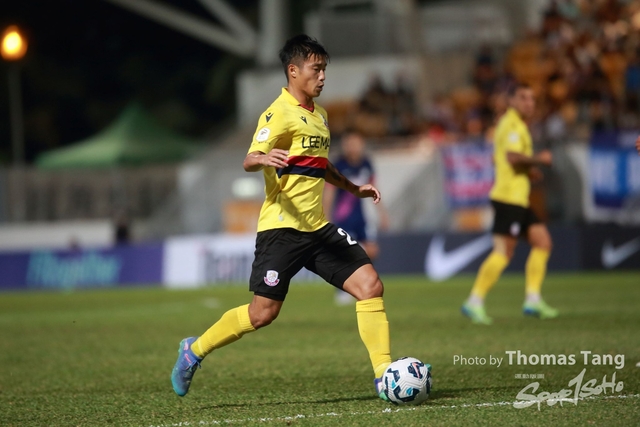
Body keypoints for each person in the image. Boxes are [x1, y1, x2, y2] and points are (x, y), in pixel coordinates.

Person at [171, 35, 405, 401]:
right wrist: (264, 158)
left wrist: (353, 188)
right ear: (293, 71)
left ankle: (384, 375)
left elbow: (321, 165)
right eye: (316, 69)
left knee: (370, 285)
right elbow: (250, 158)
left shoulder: (320, 115)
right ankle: (193, 350)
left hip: (318, 228)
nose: (322, 76)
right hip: (281, 229)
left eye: (324, 69)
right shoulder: (278, 113)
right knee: (262, 313)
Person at [461, 83, 559, 325]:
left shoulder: (516, 125)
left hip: (518, 199)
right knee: (503, 252)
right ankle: (474, 301)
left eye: (532, 98)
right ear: (512, 101)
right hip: (508, 199)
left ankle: (533, 300)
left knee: (543, 242)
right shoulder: (511, 124)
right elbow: (512, 157)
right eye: (524, 98)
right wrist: (539, 159)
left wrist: (529, 171)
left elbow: (501, 159)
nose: (529, 103)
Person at [323, 130, 389, 305]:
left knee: (372, 251)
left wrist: (382, 214)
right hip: (343, 218)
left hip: (361, 218)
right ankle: (343, 289)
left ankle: (363, 284)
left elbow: (374, 189)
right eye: (349, 143)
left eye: (356, 143)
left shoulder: (366, 164)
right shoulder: (338, 165)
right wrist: (326, 217)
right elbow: (329, 192)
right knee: (348, 253)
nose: (352, 147)